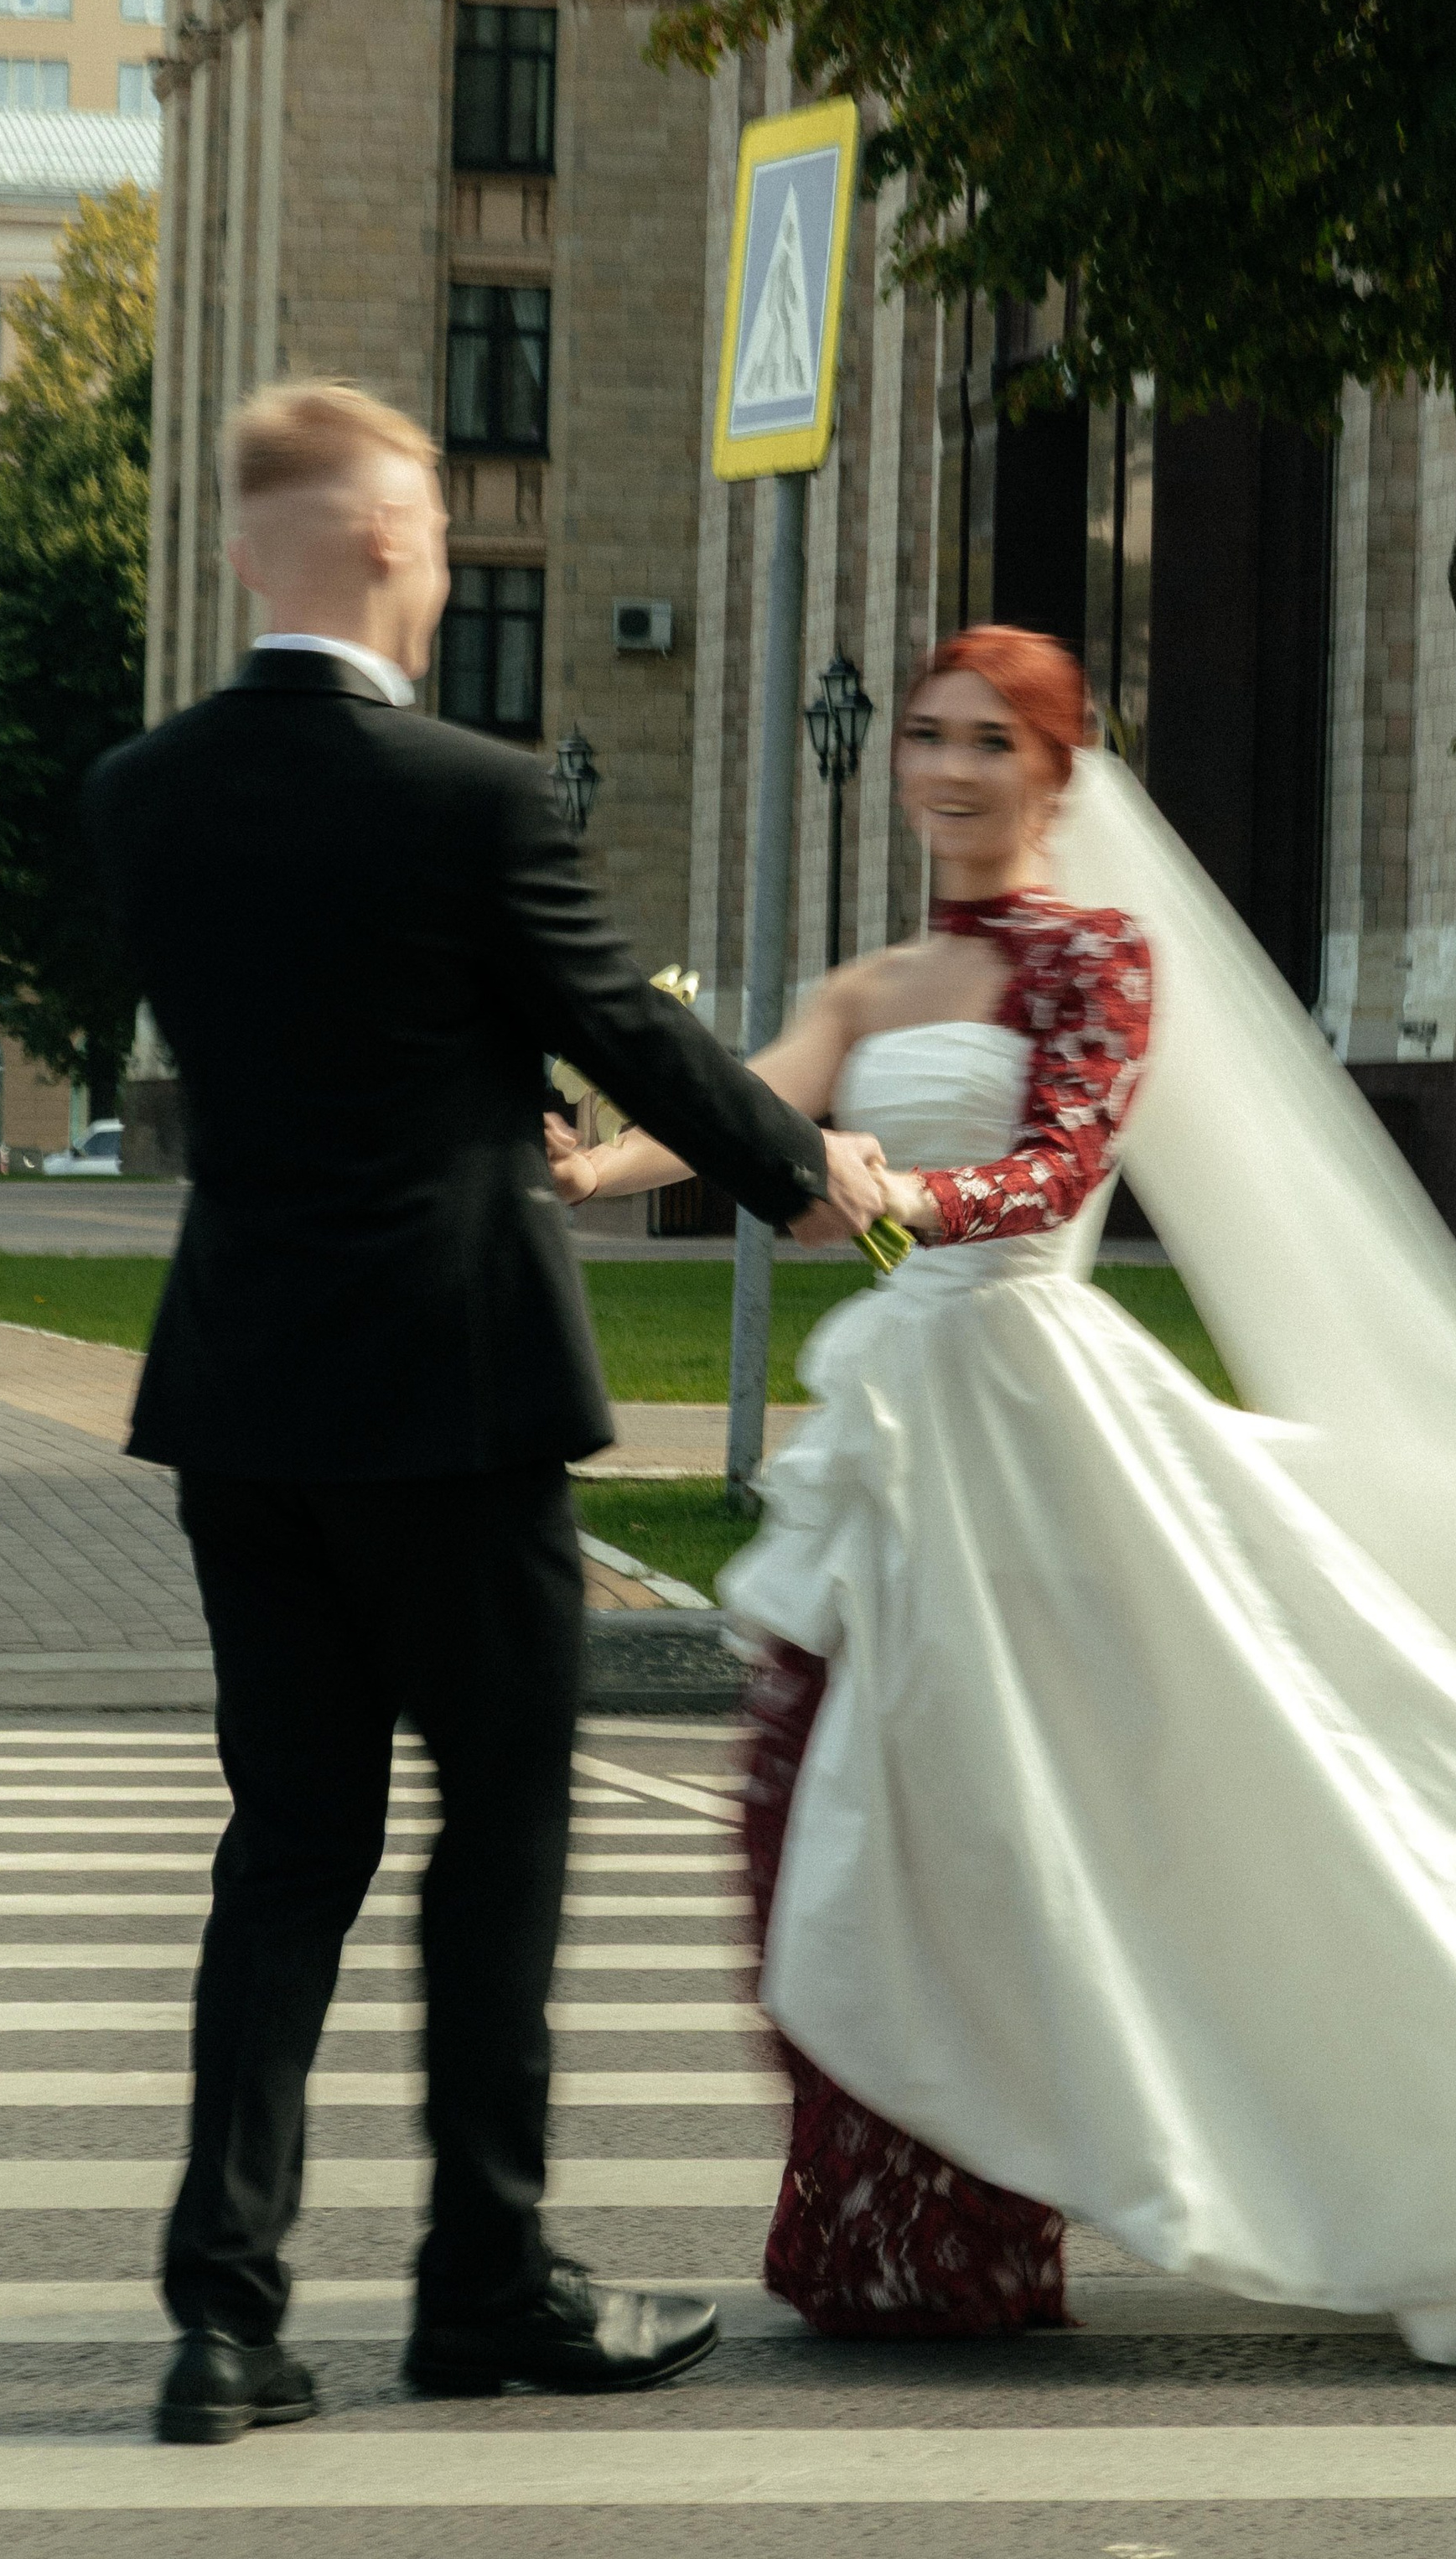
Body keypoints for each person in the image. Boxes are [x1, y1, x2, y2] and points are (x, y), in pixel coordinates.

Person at [554, 620, 1456, 2361]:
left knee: (1136, 1816)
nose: (950, 769)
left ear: (1056, 773)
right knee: (817, 1812)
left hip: (1045, 1425)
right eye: (927, 735)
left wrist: (909, 1201)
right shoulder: (872, 985)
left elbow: (1060, 1159)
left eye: (991, 741)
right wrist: (589, 1164)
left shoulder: (1097, 959)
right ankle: (893, 2229)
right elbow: (744, 1115)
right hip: (902, 1429)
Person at [83, 381, 890, 2443]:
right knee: (498, 1843)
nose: (445, 571)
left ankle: (226, 2316)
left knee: (289, 1849)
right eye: (434, 533)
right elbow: (614, 1024)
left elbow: (320, 1037)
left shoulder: (143, 794)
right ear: (366, 539)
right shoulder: (472, 794)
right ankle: (483, 2285)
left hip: (246, 1404)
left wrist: (456, 1079)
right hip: (448, 1401)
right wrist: (811, 1170)